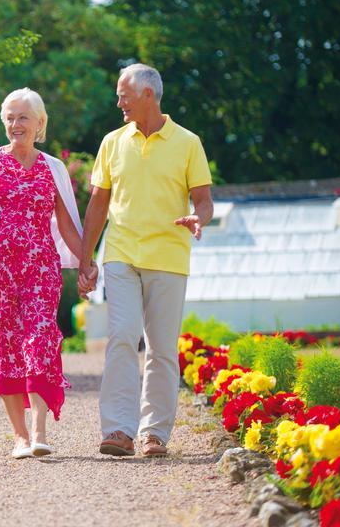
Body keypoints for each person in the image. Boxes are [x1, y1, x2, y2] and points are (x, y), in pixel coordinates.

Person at [77, 64, 214, 458]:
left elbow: (203, 199)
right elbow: (97, 204)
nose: (118, 102)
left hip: (169, 256)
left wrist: (197, 218)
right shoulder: (112, 142)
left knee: (162, 348)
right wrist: (86, 261)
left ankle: (155, 433)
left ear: (148, 95)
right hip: (121, 254)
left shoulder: (188, 142)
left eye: (124, 95)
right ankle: (119, 429)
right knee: (121, 335)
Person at [0, 88, 84, 459]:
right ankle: (20, 437)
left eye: (22, 117)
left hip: (41, 269)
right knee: (4, 348)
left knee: (40, 340)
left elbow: (67, 225)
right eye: (9, 117)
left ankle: (39, 431)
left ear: (39, 123)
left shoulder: (52, 167)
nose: (14, 124)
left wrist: (86, 263)